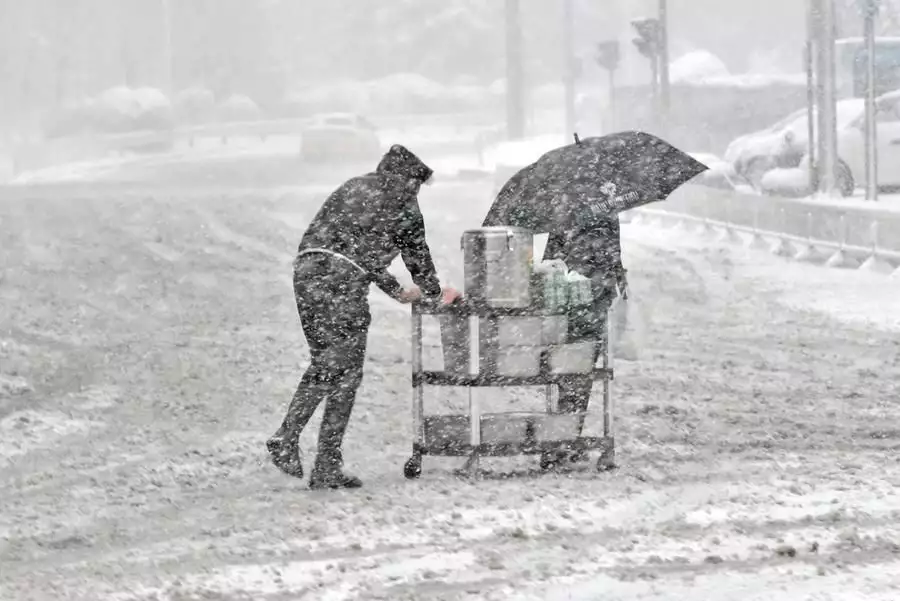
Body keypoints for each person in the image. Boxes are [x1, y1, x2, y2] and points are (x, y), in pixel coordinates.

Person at [267, 144, 460, 489]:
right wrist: (432, 292)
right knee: (342, 369)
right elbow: (415, 253)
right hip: (341, 284)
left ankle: (323, 462)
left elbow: (349, 245)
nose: (416, 192)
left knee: (329, 365)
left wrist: (394, 290)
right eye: (416, 185)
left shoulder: (353, 186)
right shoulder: (403, 199)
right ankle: (292, 440)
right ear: (408, 180)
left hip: (308, 275)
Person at [541, 209, 627, 470]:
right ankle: (565, 440)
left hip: (570, 301)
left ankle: (563, 439)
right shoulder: (604, 210)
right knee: (577, 372)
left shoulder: (563, 209)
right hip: (586, 303)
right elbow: (610, 262)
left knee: (570, 372)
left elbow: (550, 260)